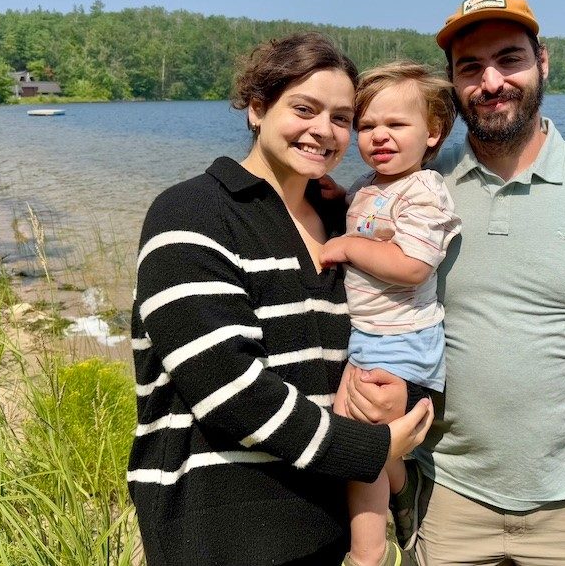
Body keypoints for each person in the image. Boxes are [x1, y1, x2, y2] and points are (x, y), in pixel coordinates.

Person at [345, 0, 565, 566]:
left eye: (509, 59)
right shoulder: (412, 186)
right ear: (453, 84)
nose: (492, 81)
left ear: (542, 61)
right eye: (471, 67)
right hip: (446, 497)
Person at [127, 33, 434, 566]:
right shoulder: (192, 213)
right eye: (304, 109)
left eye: (342, 118)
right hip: (221, 530)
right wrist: (373, 449)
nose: (324, 130)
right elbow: (226, 386)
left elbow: (393, 329)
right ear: (257, 108)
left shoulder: (345, 224)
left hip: (327, 526)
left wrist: (398, 401)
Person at [319, 62, 461, 566]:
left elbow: (412, 266)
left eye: (396, 124)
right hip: (372, 334)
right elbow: (372, 219)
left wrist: (346, 246)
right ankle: (404, 488)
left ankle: (368, 554)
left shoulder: (424, 190)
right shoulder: (370, 184)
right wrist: (340, 199)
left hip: (401, 337)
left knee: (359, 441)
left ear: (433, 132)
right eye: (366, 125)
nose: (379, 136)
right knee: (362, 431)